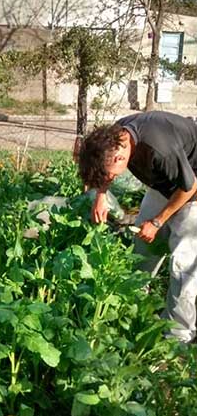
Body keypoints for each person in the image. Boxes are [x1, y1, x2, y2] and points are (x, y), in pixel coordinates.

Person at [78, 110, 197, 343]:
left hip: (192, 188)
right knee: (141, 250)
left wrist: (157, 222)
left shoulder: (160, 149)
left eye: (109, 175)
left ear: (120, 159)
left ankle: (177, 336)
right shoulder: (116, 136)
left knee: (183, 265)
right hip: (164, 183)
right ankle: (133, 308)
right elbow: (106, 170)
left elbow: (189, 187)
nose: (109, 178)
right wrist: (101, 194)